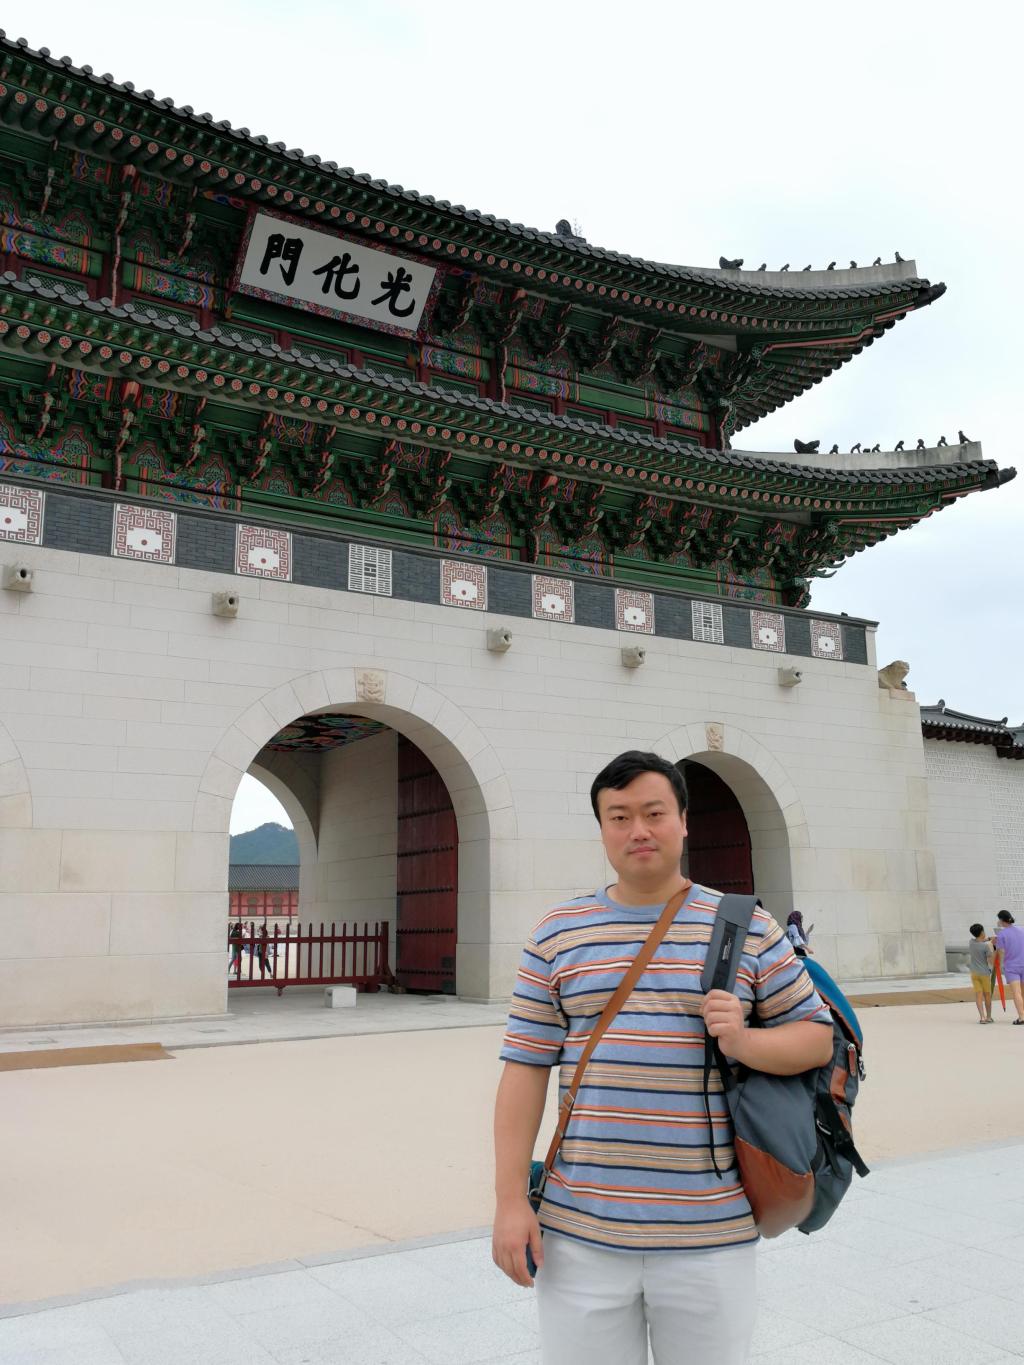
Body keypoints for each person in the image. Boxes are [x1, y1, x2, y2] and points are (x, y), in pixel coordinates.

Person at [492, 751, 832, 1365]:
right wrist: (510, 1201)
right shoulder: (557, 932)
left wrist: (745, 1042)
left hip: (712, 1231)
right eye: (619, 817)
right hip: (580, 1231)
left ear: (683, 821)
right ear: (602, 829)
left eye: (654, 813)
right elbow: (524, 1069)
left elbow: (816, 1038)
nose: (638, 830)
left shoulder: (746, 926)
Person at [994, 911, 1024, 1024]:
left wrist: (1001, 964)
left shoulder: (1001, 934)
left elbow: (1001, 951)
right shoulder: (1022, 929)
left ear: (1001, 920)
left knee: (1017, 992)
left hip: (1011, 966)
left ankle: (1022, 1017)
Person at [967, 923, 994, 1023]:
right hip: (984, 973)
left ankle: (982, 1017)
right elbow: (991, 961)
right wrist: (992, 946)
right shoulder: (986, 946)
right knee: (987, 995)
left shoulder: (971, 942)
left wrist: (989, 939)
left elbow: (980, 941)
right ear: (982, 932)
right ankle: (989, 1017)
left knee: (978, 995)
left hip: (974, 973)